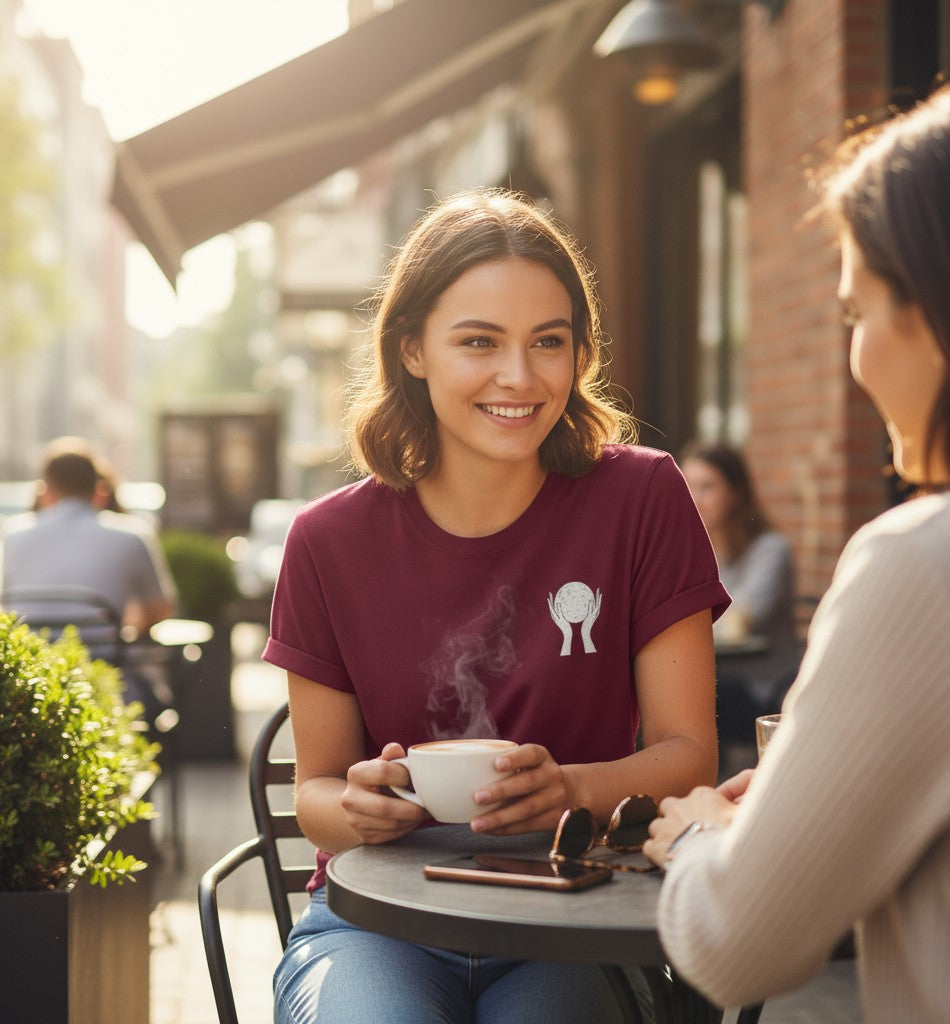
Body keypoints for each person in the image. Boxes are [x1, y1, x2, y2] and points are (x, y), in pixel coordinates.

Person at [264, 189, 730, 1024]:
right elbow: (316, 797)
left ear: (580, 353)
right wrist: (360, 806)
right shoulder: (327, 542)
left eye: (548, 342)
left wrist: (571, 791)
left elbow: (690, 755)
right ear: (412, 348)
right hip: (376, 925)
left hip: (578, 915)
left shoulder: (643, 496)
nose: (520, 377)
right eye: (479, 341)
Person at [645, 83, 950, 1023]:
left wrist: (701, 836)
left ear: (935, 312)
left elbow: (738, 947)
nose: (854, 359)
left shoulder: (931, 564)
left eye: (856, 314)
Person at [1, 437, 178, 709]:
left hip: (30, 690)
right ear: (99, 489)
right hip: (108, 686)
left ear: (45, 489)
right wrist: (116, 632)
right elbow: (160, 609)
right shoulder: (132, 534)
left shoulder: (11, 535)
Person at [678, 441, 802, 753]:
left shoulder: (769, 549)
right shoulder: (693, 551)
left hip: (763, 690)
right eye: (687, 485)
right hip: (717, 677)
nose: (694, 498)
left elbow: (741, 622)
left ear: (736, 492)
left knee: (681, 687)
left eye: (707, 487)